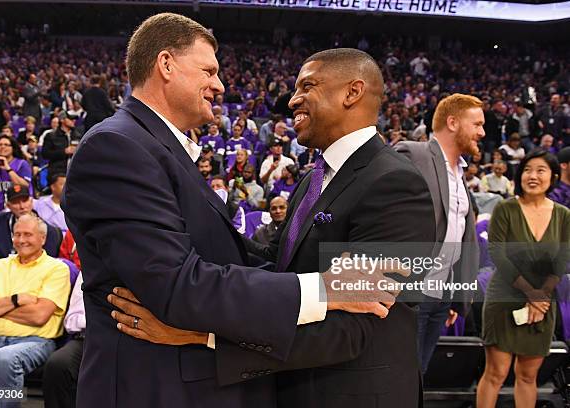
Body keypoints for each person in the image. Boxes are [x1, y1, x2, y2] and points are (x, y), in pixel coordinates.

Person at [63, 15, 396, 408]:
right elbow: (177, 284)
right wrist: (323, 288)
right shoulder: (118, 147)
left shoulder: (158, 148)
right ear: (166, 65)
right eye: (209, 70)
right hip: (155, 387)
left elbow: (227, 256)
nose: (219, 85)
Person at [395, 93, 483, 374]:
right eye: (477, 124)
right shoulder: (414, 154)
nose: (482, 132)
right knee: (400, 377)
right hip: (411, 293)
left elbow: (458, 236)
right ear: (453, 122)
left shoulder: (461, 175)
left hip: (441, 296)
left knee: (418, 376)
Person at [476, 150, 569, 408]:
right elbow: (497, 254)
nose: (533, 176)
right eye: (528, 170)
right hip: (505, 298)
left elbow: (562, 260)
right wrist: (532, 294)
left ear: (554, 176)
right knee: (495, 374)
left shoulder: (563, 215)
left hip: (543, 303)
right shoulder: (506, 208)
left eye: (541, 170)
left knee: (528, 377)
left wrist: (542, 296)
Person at [0, 214, 71, 407]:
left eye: (28, 234)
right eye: (17, 234)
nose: (21, 240)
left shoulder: (56, 269)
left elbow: (39, 316)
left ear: (42, 238)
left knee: (4, 359)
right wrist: (15, 300)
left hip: (35, 341)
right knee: (1, 356)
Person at [0, 183, 62, 258]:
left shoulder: (50, 231)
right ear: (8, 206)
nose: (22, 206)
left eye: (24, 201)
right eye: (16, 202)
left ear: (31, 202)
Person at [43, 272, 85, 408]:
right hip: (88, 336)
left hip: (131, 336)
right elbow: (72, 320)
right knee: (58, 364)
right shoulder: (89, 267)